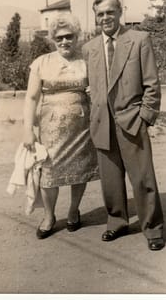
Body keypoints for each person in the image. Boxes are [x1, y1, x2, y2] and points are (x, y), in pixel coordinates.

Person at [82, 0, 165, 251]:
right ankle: (116, 221)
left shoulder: (139, 40)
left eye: (109, 12)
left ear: (120, 12)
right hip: (102, 123)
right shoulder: (90, 48)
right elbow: (93, 85)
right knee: (110, 180)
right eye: (100, 14)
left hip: (132, 120)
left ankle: (153, 228)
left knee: (142, 178)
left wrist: (145, 117)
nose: (105, 18)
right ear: (95, 18)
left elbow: (152, 83)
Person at [23, 13, 99, 239]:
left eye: (69, 37)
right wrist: (28, 129)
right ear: (53, 39)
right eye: (59, 38)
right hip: (50, 129)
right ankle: (49, 216)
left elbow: (98, 90)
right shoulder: (41, 63)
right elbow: (31, 98)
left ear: (77, 37)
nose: (65, 41)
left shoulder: (86, 61)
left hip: (81, 128)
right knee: (48, 173)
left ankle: (74, 210)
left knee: (81, 170)